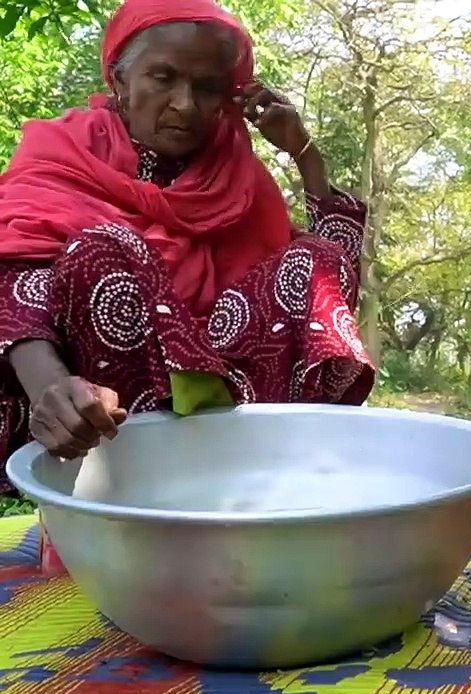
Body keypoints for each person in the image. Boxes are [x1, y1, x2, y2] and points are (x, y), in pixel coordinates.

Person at [0, 0, 374, 495]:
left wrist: (305, 156)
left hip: (230, 413)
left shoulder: (237, 175)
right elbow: (13, 271)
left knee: (315, 261)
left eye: (207, 88)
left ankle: (282, 490)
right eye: (163, 78)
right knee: (102, 247)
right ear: (119, 79)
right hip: (100, 429)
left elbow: (331, 279)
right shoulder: (62, 154)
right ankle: (101, 506)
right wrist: (48, 385)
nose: (185, 104)